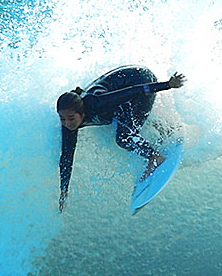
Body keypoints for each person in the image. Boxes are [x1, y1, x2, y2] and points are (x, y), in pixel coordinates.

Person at [56, 65, 186, 211]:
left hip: (140, 79)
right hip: (122, 82)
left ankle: (154, 157)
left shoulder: (99, 103)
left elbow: (135, 91)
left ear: (82, 113)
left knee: (123, 137)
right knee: (122, 119)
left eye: (71, 118)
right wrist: (63, 193)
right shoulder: (69, 123)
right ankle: (160, 128)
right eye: (62, 119)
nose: (67, 123)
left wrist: (168, 85)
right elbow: (66, 158)